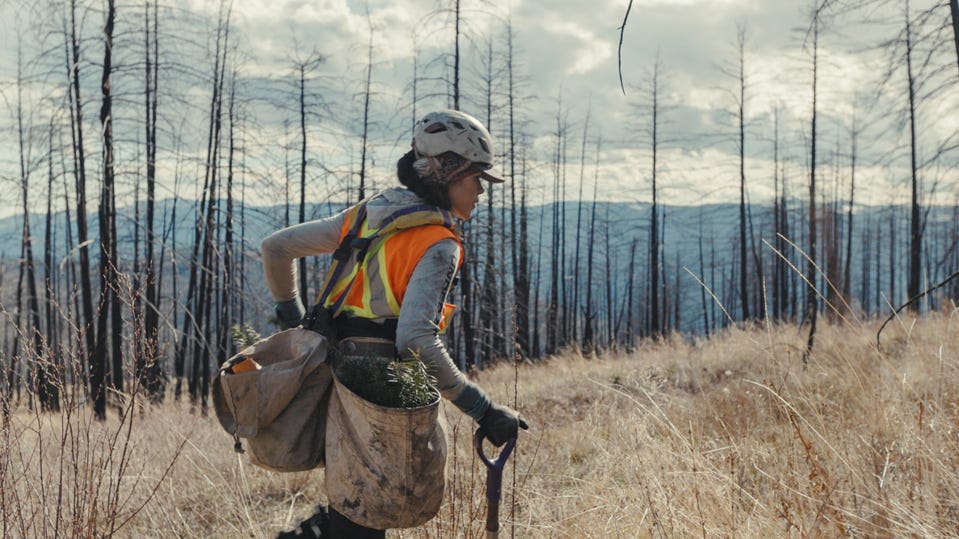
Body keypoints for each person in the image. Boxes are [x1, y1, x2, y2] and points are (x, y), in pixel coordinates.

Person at [262, 109, 529, 538]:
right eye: (476, 178)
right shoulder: (439, 243)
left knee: (354, 511)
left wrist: (292, 320)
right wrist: (482, 408)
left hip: (334, 374)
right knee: (367, 519)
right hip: (383, 392)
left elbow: (275, 248)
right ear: (448, 174)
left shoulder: (370, 215)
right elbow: (416, 338)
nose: (482, 190)